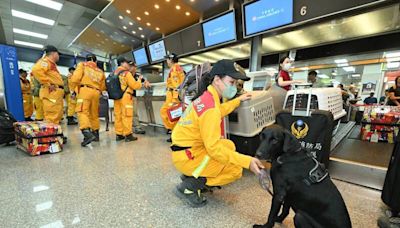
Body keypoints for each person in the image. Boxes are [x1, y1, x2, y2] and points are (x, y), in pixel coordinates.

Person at [171, 59, 265, 207]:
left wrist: (238, 100)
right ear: (217, 80)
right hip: (189, 156)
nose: (234, 86)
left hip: (186, 151)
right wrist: (247, 161)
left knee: (228, 145)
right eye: (232, 82)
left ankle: (192, 174)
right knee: (235, 170)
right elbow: (214, 148)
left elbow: (220, 111)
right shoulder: (210, 108)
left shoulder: (207, 98)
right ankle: (191, 184)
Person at [70, 54, 106, 146]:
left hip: (85, 91)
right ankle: (95, 134)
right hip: (96, 93)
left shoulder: (82, 65)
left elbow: (75, 78)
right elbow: (103, 87)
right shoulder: (100, 71)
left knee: (82, 111)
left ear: (86, 60)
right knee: (94, 114)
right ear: (96, 61)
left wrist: (73, 90)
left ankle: (87, 134)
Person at [31, 46, 65, 125]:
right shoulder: (45, 62)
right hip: (51, 93)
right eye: (58, 54)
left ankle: (55, 135)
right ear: (53, 53)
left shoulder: (51, 64)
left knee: (56, 114)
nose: (58, 56)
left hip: (55, 93)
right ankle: (50, 136)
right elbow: (36, 70)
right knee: (52, 115)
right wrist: (47, 83)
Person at [113, 57, 142, 142]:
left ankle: (119, 134)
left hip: (116, 97)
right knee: (127, 115)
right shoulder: (126, 73)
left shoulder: (113, 73)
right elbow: (135, 86)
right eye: (126, 63)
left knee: (118, 116)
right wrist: (139, 80)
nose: (128, 65)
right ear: (122, 63)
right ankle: (128, 135)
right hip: (125, 97)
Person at [160, 53, 185, 142]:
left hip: (173, 95)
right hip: (173, 94)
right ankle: (174, 132)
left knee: (170, 114)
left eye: (167, 59)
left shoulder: (175, 69)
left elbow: (177, 85)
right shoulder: (178, 68)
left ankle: (174, 133)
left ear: (171, 60)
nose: (166, 61)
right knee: (172, 114)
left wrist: (175, 98)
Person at [128, 61, 150, 134]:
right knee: (129, 113)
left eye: (132, 66)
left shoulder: (137, 75)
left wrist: (146, 82)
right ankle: (131, 128)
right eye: (129, 66)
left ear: (135, 67)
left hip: (133, 97)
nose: (130, 68)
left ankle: (136, 127)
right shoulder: (127, 75)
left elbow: (144, 80)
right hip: (126, 97)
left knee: (134, 112)